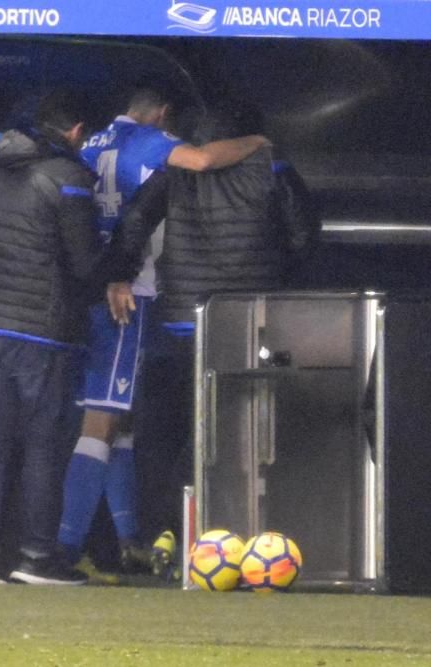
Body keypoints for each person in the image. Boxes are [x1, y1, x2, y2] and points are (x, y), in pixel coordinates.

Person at [58, 83, 270, 578]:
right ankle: (62, 550)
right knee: (103, 420)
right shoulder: (151, 143)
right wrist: (256, 143)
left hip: (89, 286)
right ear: (163, 115)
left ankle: (129, 539)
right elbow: (198, 161)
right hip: (127, 291)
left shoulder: (90, 143)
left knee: (122, 419)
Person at [106, 102, 318, 570]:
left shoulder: (176, 169)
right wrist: (279, 278)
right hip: (244, 321)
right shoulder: (272, 166)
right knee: (239, 436)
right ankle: (234, 535)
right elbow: (304, 235)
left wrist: (119, 275)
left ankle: (166, 528)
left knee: (167, 431)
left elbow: (135, 221)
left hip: (178, 320)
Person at [0, 90, 106, 586]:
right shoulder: (69, 179)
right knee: (44, 444)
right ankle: (37, 557)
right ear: (77, 132)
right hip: (42, 330)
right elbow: (85, 266)